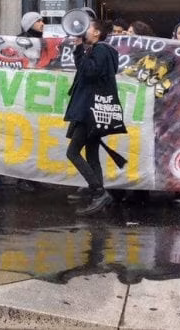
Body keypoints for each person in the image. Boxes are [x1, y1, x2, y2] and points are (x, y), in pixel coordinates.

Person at [64, 18, 118, 216]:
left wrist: (79, 48)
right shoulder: (99, 51)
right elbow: (85, 70)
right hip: (93, 110)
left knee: (72, 153)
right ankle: (99, 197)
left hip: (89, 111)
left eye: (89, 28)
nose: (85, 31)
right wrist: (80, 50)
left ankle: (99, 191)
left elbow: (88, 72)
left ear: (97, 33)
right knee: (92, 155)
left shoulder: (101, 50)